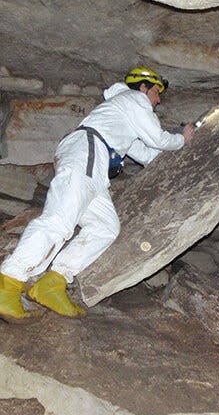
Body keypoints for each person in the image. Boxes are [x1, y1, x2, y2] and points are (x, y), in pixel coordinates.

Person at [0, 66, 195, 322]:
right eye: (157, 92)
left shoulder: (121, 115)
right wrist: (183, 138)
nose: (158, 100)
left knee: (106, 227)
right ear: (144, 87)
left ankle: (52, 284)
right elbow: (158, 139)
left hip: (93, 164)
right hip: (87, 154)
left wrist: (177, 150)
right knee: (60, 220)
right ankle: (8, 283)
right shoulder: (132, 99)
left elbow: (147, 154)